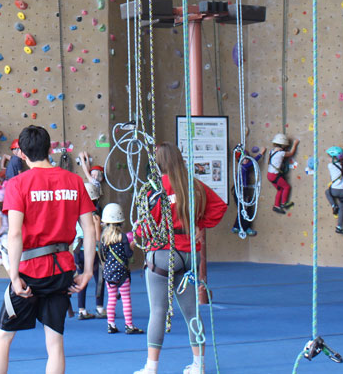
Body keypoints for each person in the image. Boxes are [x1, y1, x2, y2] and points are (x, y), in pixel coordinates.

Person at [0, 125, 96, 374]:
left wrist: (14, 276)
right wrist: (87, 270)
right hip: (62, 270)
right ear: (49, 148)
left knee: (2, 337)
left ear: (21, 154)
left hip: (30, 272)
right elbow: (89, 230)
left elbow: (14, 234)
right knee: (55, 341)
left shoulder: (17, 184)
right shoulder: (74, 180)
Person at [133, 143, 227, 374]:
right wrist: (199, 225)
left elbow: (145, 228)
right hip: (189, 254)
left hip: (163, 253)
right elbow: (219, 207)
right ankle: (198, 365)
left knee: (158, 311)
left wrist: (136, 232)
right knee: (192, 313)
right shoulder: (193, 186)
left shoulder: (155, 188)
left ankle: (151, 367)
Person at [100, 203, 142, 335]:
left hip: (109, 273)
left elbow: (104, 255)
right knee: (125, 299)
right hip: (122, 273)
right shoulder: (123, 238)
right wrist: (132, 245)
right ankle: (129, 325)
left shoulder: (104, 239)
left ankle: (110, 324)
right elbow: (128, 255)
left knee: (111, 298)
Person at [74, 152, 106, 319]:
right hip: (90, 249)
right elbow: (97, 237)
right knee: (98, 277)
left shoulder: (76, 214)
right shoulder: (94, 216)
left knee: (81, 278)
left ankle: (81, 310)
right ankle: (100, 308)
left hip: (77, 249)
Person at [231, 144, 261, 237]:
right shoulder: (243, 167)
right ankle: (243, 228)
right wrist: (260, 154)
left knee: (244, 209)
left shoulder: (243, 167)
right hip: (240, 191)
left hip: (242, 190)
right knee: (244, 210)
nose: (246, 160)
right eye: (244, 159)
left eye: (247, 158)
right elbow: (251, 163)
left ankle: (238, 227)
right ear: (239, 160)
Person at [267, 133, 298, 213]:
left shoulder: (271, 152)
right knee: (287, 187)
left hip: (269, 175)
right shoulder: (281, 153)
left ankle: (276, 206)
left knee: (280, 189)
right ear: (283, 145)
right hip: (274, 175)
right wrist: (295, 144)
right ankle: (284, 203)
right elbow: (291, 153)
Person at [324, 146, 343, 234]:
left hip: (334, 190)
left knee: (327, 192)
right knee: (342, 209)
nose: (328, 159)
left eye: (329, 157)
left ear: (334, 159)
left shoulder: (330, 166)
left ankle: (333, 205)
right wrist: (342, 151)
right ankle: (339, 227)